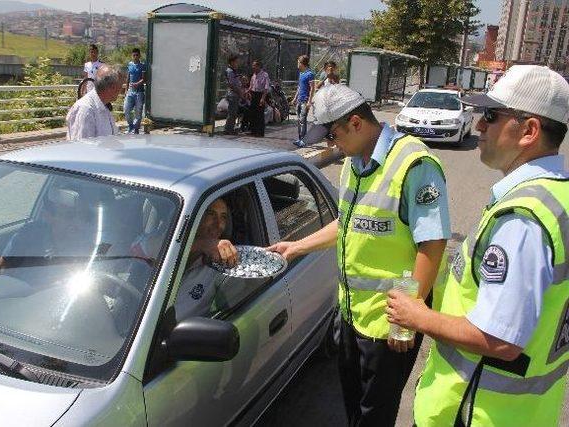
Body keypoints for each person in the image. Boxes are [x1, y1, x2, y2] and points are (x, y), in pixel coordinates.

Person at [386, 65, 569, 426]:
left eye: (490, 116)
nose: (479, 127)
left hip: (476, 411)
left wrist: (418, 316)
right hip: (524, 412)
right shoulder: (557, 196)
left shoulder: (523, 218)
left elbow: (501, 339)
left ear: (529, 130)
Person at [269, 84, 451, 426]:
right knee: (353, 406)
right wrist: (296, 247)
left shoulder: (414, 164)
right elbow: (347, 223)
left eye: (333, 135)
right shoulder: (353, 163)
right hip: (353, 315)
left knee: (375, 414)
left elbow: (432, 243)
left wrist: (408, 319)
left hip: (389, 325)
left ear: (356, 123)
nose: (330, 145)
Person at [174, 198, 239, 321]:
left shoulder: (223, 263)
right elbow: (140, 246)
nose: (218, 224)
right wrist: (201, 244)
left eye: (223, 217)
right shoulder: (162, 241)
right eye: (211, 214)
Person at [66, 65, 123, 140]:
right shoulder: (86, 109)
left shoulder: (103, 105)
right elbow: (82, 147)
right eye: (120, 85)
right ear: (112, 87)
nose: (121, 90)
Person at [292, 55, 315, 147]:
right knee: (299, 120)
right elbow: (299, 87)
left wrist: (309, 101)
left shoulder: (310, 74)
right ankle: (300, 138)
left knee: (303, 120)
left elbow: (313, 88)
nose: (297, 64)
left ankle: (303, 140)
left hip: (305, 101)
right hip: (299, 100)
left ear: (302, 63)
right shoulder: (301, 73)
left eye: (298, 63)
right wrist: (295, 98)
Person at [123, 48, 147, 134]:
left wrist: (137, 84)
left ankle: (136, 129)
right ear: (132, 56)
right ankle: (130, 125)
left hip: (139, 92)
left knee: (138, 112)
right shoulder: (130, 64)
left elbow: (144, 79)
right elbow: (128, 78)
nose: (135, 57)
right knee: (126, 109)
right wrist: (126, 90)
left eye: (137, 55)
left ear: (139, 55)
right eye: (134, 55)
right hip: (130, 91)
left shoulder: (142, 65)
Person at [248, 60, 270, 137]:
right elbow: (251, 86)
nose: (253, 67)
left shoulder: (265, 75)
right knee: (253, 113)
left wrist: (263, 98)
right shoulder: (253, 75)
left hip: (260, 95)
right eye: (253, 65)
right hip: (253, 95)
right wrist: (247, 92)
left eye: (254, 66)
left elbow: (266, 88)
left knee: (260, 114)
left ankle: (260, 132)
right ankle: (253, 131)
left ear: (259, 66)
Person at [224, 55, 244, 135]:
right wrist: (240, 93)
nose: (237, 64)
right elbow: (232, 84)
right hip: (233, 94)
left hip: (235, 94)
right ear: (232, 62)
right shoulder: (230, 71)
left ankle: (230, 129)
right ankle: (228, 130)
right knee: (232, 113)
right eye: (236, 62)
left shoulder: (233, 71)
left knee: (234, 113)